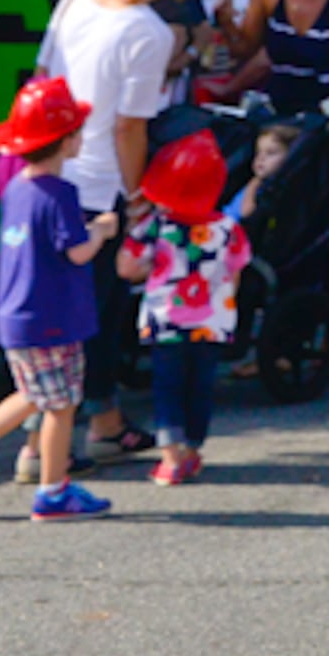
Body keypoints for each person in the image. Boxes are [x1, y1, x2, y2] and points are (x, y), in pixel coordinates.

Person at [0, 75, 119, 521]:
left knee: (33, 391)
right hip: (55, 317)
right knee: (61, 403)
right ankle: (53, 490)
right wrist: (102, 230)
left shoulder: (16, 189)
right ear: (67, 140)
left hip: (19, 314)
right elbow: (77, 252)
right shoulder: (62, 194)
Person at [41, 0, 187, 464]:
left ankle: (100, 420)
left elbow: (42, 75)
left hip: (46, 168)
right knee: (90, 313)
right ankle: (52, 437)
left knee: (56, 305)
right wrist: (138, 193)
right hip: (97, 182)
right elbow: (130, 125)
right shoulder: (149, 31)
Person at [117, 132, 248, 485]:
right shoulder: (228, 228)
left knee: (168, 386)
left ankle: (170, 457)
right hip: (213, 322)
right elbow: (236, 270)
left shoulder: (155, 225)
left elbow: (126, 268)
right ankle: (192, 450)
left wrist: (150, 268)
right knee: (200, 387)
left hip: (167, 321)